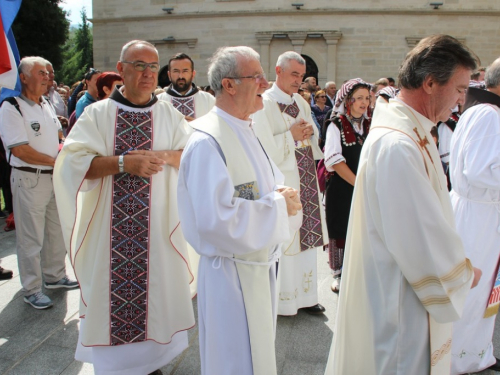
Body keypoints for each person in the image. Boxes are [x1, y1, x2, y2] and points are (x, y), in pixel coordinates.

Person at [325, 34, 482, 375]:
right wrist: (462, 273)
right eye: (458, 88)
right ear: (429, 83)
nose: (461, 100)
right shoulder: (399, 145)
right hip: (401, 298)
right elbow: (418, 235)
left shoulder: (411, 129)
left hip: (403, 286)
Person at [53, 40, 195, 375]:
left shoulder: (167, 113)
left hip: (157, 227)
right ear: (121, 69)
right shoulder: (98, 114)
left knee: (156, 292)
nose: (147, 73)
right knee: (109, 295)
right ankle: (116, 368)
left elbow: (190, 153)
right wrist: (121, 163)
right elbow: (71, 164)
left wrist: (161, 157)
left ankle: (151, 364)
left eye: (152, 66)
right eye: (139, 65)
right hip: (109, 233)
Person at [177, 46, 302, 375]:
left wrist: (279, 193)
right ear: (229, 85)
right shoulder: (208, 141)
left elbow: (261, 186)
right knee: (235, 362)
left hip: (256, 266)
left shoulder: (245, 126)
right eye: (256, 76)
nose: (264, 83)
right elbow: (215, 221)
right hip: (230, 276)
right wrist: (277, 205)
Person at [252, 51, 328, 316]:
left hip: (305, 178)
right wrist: (292, 135)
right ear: (278, 70)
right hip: (284, 182)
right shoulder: (264, 103)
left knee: (306, 240)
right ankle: (284, 300)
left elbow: (312, 133)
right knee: (287, 240)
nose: (299, 80)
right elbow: (262, 147)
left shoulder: (301, 101)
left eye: (301, 75)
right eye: (294, 74)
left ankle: (307, 297)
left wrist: (309, 132)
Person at [0, 56, 78, 310]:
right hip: (30, 178)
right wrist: (56, 162)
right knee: (30, 237)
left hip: (53, 178)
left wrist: (65, 151)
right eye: (41, 73)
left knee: (55, 231)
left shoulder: (44, 103)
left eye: (48, 72)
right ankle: (32, 288)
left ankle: (55, 276)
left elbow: (56, 136)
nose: (47, 77)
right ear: (23, 77)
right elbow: (20, 150)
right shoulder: (12, 107)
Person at [449, 57, 500, 374]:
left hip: (482, 213)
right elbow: (480, 170)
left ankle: (477, 354)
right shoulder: (489, 116)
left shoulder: (485, 112)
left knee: (484, 291)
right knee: (472, 291)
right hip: (478, 215)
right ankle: (458, 359)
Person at [322, 78, 371, 293]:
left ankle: (360, 271)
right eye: (359, 98)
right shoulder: (336, 124)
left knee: (364, 227)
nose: (364, 102)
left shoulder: (371, 125)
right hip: (343, 189)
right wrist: (358, 182)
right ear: (348, 101)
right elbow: (334, 160)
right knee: (341, 227)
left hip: (366, 187)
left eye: (367, 98)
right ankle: (339, 273)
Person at [158, 52, 215, 121]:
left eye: (185, 71)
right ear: (169, 75)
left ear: (193, 74)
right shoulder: (158, 102)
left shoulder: (209, 100)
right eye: (176, 71)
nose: (180, 76)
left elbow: (216, 128)